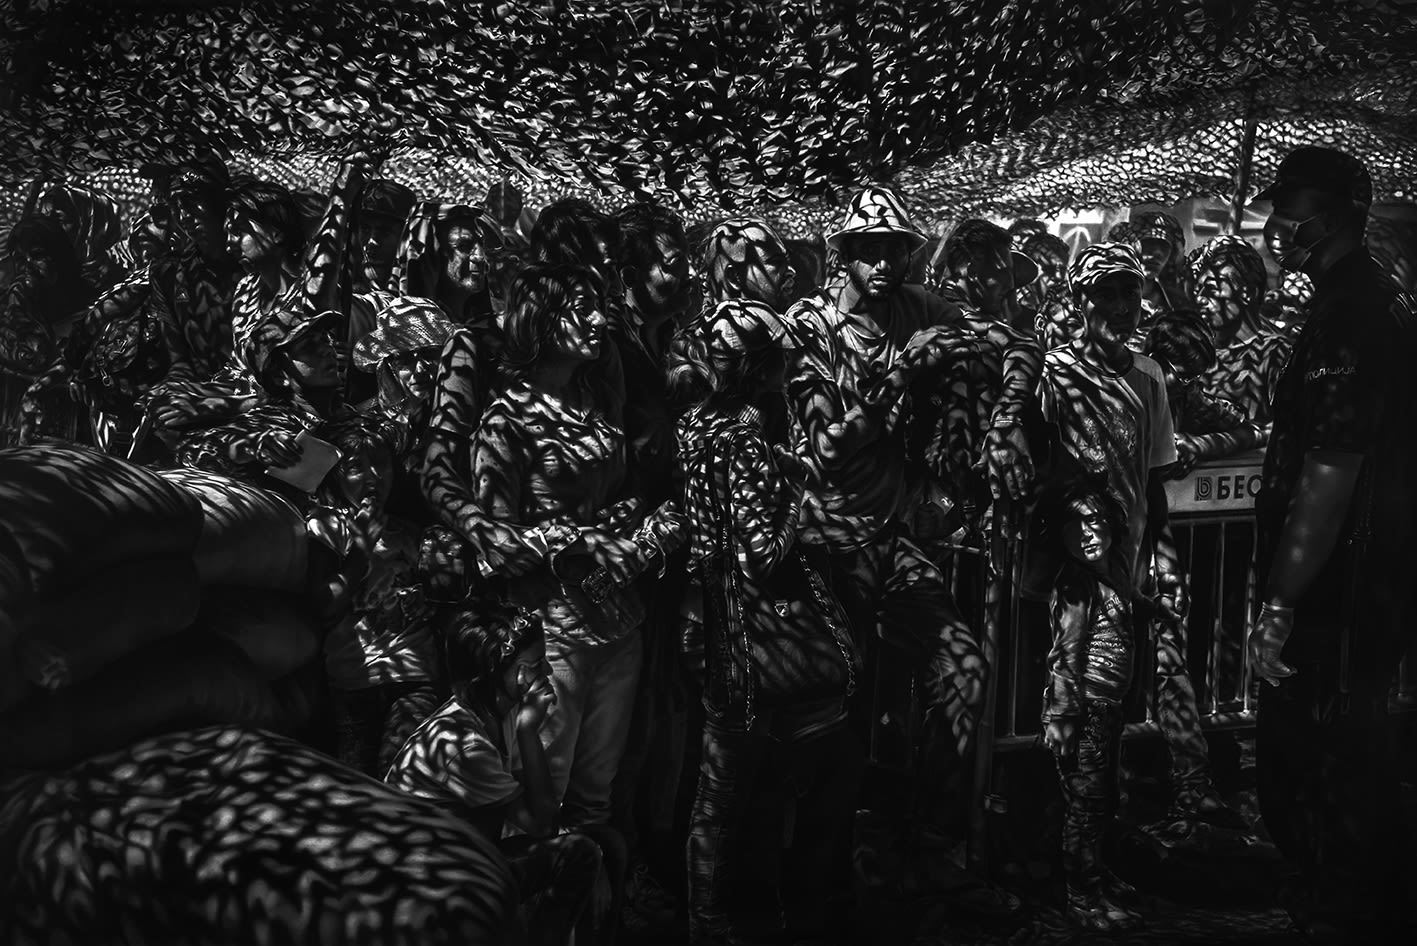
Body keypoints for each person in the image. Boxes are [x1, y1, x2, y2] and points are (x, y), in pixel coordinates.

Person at [784, 187, 1035, 914]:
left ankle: (931, 845)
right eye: (870, 248)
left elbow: (1015, 344)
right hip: (822, 545)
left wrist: (1006, 423)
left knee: (961, 668)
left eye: (896, 247)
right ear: (845, 252)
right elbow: (827, 448)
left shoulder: (920, 308)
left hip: (894, 540)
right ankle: (833, 869)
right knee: (847, 709)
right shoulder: (812, 325)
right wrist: (904, 373)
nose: (885, 261)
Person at [1248, 146, 1417, 943]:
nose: (1281, 223)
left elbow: (1330, 466)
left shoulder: (1352, 312)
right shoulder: (1358, 300)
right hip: (1360, 578)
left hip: (1340, 592)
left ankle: (1345, 906)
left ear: (1343, 208)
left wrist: (1279, 602)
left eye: (1296, 205)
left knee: (1323, 756)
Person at [674, 298, 864, 945]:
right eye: (777, 358)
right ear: (756, 365)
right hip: (754, 633)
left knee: (723, 794)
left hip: (710, 614)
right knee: (743, 792)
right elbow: (762, 548)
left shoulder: (695, 424)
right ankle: (745, 920)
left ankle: (717, 919)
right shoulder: (743, 428)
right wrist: (802, 502)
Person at [386, 606, 605, 946]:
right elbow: (541, 823)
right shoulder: (464, 745)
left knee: (607, 847)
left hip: (469, 856)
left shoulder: (497, 711)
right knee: (581, 853)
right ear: (492, 673)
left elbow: (530, 796)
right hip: (435, 883)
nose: (546, 670)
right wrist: (530, 732)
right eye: (531, 666)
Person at [1036, 476, 1144, 931]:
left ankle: (1096, 877)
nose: (1088, 532)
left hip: (1107, 710)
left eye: (1096, 520)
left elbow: (1126, 603)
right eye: (1075, 524)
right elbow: (1065, 653)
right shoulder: (1075, 585)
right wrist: (1061, 715)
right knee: (1086, 807)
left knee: (1102, 802)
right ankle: (1083, 897)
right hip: (1087, 713)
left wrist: (1152, 607)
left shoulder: (1110, 570)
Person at [1184, 235, 1293, 428]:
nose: (1200, 300)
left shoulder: (1274, 353)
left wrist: (1210, 445)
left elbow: (1286, 428)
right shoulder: (1195, 352)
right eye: (1198, 291)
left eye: (1210, 290)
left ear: (1246, 294)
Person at [1145, 308, 1263, 476]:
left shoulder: (1185, 393)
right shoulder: (1120, 391)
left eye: (1196, 376)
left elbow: (1251, 432)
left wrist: (1199, 446)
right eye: (1184, 376)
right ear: (1155, 361)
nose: (1190, 385)